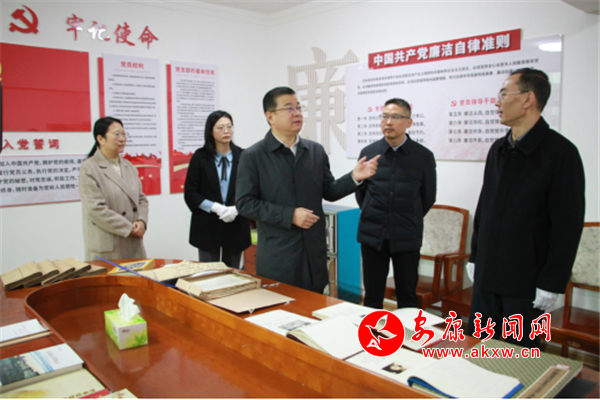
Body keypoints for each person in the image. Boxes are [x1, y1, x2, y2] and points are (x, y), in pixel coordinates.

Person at [467, 68, 585, 348]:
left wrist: (552, 282)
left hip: (526, 283)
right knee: (477, 352)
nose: (497, 102)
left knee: (517, 361)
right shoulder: (499, 148)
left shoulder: (561, 152)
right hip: (487, 277)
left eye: (503, 94)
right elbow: (485, 207)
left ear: (528, 99)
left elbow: (567, 226)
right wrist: (475, 255)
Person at [236, 86, 380, 293]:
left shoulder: (315, 151)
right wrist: (290, 215)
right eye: (289, 108)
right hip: (279, 256)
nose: (297, 113)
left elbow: (329, 191)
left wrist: (354, 177)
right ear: (270, 116)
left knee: (316, 305)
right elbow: (245, 203)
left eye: (299, 107)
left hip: (313, 253)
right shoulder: (253, 156)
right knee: (282, 307)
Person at [356, 98, 436, 310]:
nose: (388, 122)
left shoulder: (423, 156)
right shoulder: (369, 153)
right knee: (372, 296)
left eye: (395, 117)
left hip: (406, 235)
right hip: (373, 234)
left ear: (409, 122)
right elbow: (361, 193)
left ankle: (407, 331)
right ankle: (371, 330)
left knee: (407, 297)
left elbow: (428, 197)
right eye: (384, 116)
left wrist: (407, 216)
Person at [184, 110, 251, 269]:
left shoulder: (244, 156)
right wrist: (215, 207)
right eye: (220, 127)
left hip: (236, 223)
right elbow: (190, 193)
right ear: (210, 131)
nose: (226, 131)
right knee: (210, 274)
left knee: (232, 273)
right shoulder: (200, 157)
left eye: (229, 126)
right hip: (207, 225)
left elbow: (253, 189)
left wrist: (237, 208)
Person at [79, 117, 149, 261]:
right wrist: (129, 228)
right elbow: (95, 209)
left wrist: (142, 222)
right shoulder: (89, 168)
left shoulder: (128, 166)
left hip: (133, 241)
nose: (122, 139)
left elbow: (141, 199)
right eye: (117, 134)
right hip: (108, 244)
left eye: (123, 134)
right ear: (100, 139)